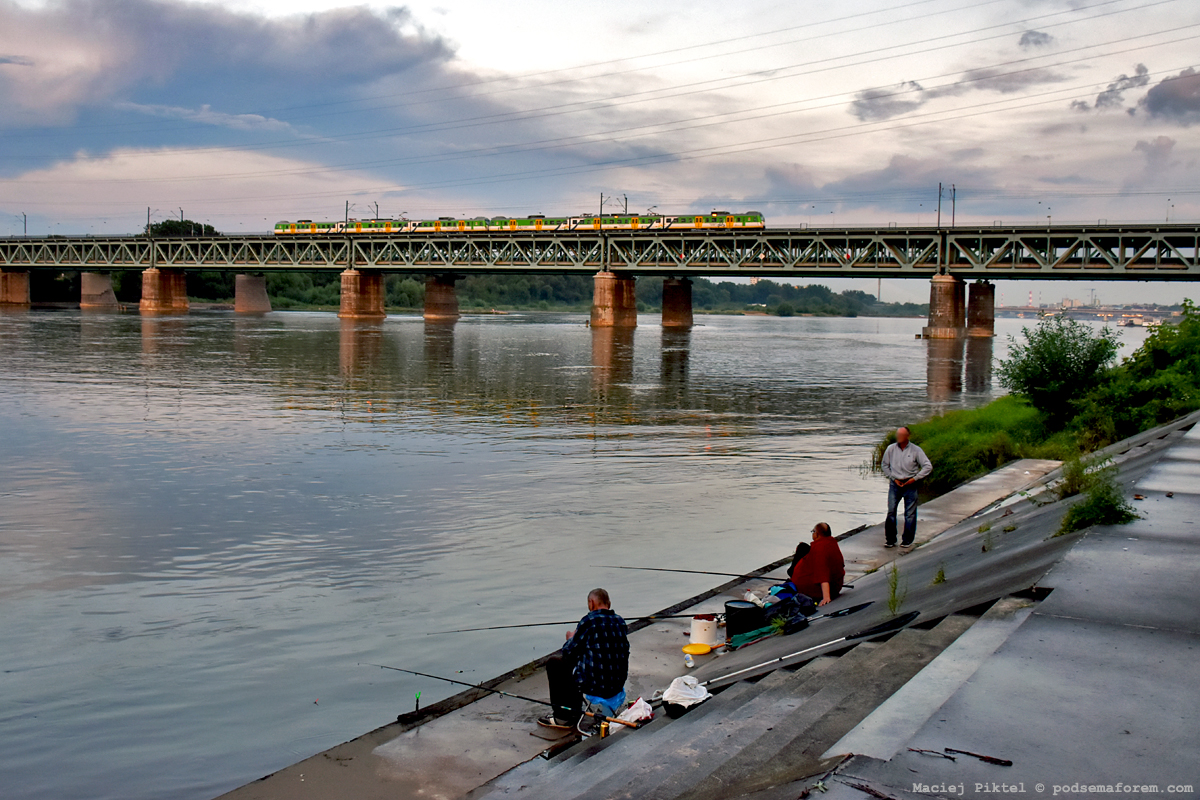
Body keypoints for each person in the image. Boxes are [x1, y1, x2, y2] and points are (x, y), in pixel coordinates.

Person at [539, 588, 629, 730]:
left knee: (555, 663)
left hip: (596, 686)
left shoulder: (589, 621)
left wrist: (570, 637)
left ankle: (563, 718)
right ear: (609, 603)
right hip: (617, 685)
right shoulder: (620, 622)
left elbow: (569, 651)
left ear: (591, 603)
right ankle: (573, 712)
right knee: (588, 660)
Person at [880, 425, 933, 551]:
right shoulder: (891, 449)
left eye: (901, 435)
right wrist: (893, 478)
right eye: (898, 434)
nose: (898, 437)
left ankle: (907, 540)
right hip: (895, 484)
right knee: (891, 511)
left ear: (907, 436)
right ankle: (890, 540)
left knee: (910, 514)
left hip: (910, 483)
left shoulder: (916, 450)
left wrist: (915, 479)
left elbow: (927, 466)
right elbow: (884, 465)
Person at [790, 522, 845, 607]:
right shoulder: (832, 542)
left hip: (817, 590)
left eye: (813, 531)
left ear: (817, 534)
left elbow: (823, 574)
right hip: (836, 586)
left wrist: (826, 597)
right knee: (802, 547)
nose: (813, 534)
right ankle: (791, 572)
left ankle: (791, 573)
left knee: (801, 549)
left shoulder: (820, 549)